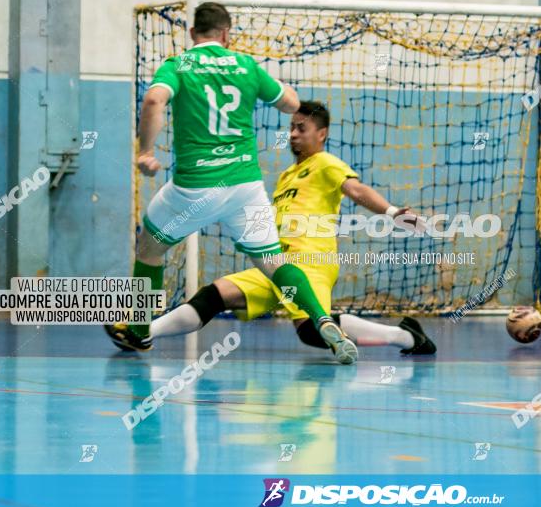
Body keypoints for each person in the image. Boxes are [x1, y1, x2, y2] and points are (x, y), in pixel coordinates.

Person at [106, 2, 357, 364]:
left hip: (194, 189)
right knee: (272, 261)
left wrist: (145, 151)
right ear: (226, 34)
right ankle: (320, 316)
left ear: (194, 34)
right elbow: (291, 103)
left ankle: (140, 330)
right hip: (245, 189)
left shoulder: (179, 65)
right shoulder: (246, 65)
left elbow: (153, 99)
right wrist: (266, 85)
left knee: (149, 250)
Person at [120, 101, 436, 358]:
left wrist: (392, 212)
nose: (294, 135)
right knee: (214, 295)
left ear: (322, 133)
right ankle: (143, 333)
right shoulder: (287, 176)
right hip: (276, 263)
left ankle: (406, 337)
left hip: (311, 262)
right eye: (291, 128)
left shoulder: (326, 163)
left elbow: (355, 190)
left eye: (302, 128)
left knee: (312, 331)